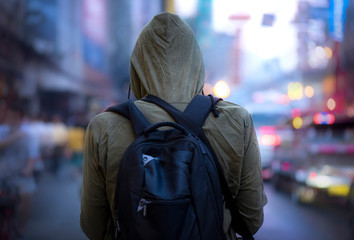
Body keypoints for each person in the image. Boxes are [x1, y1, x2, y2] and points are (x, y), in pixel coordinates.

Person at [81, 12, 267, 240]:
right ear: (196, 63)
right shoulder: (237, 120)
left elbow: (94, 227)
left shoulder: (103, 127)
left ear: (137, 65)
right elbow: (251, 220)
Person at [0, 103, 38, 238]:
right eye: (9, 116)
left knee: (26, 196)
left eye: (15, 117)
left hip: (20, 175)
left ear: (21, 118)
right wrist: (15, 136)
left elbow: (32, 158)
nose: (12, 119)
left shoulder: (30, 135)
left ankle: (20, 229)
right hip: (2, 174)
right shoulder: (2, 130)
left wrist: (28, 170)